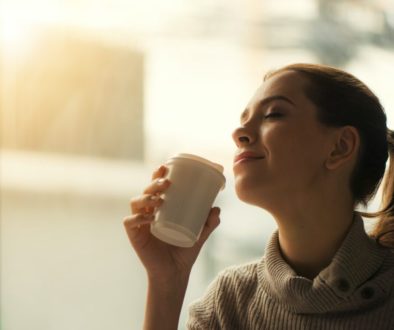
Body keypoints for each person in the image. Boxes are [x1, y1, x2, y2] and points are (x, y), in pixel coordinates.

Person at [123, 63, 394, 330]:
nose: (238, 133)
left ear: (340, 147)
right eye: (244, 120)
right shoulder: (229, 302)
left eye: (273, 114)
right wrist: (167, 281)